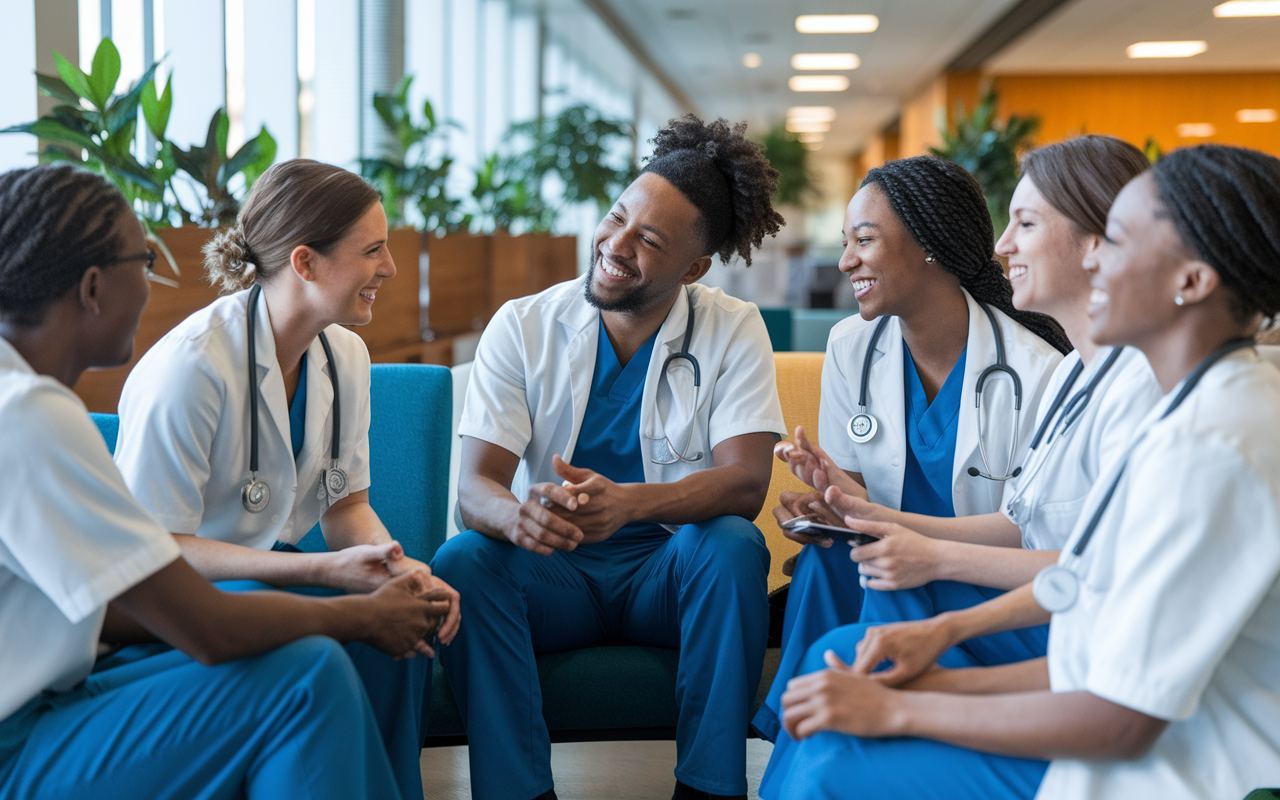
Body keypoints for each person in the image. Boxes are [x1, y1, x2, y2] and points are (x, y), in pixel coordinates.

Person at [772, 144, 1280, 800]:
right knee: (849, 692)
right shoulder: (1195, 407)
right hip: (1112, 705)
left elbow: (1120, 716)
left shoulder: (1209, 445)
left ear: (1192, 282)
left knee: (837, 762)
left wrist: (900, 706)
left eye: (1114, 241)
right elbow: (1087, 589)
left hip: (1176, 769)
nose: (1094, 260)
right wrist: (936, 648)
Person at [0, 163, 451, 799]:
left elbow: (104, 604)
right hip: (22, 733)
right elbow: (199, 623)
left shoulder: (24, 404)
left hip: (61, 685)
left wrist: (382, 574)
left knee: (345, 645)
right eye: (146, 260)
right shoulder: (31, 415)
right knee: (309, 675)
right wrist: (351, 604)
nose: (156, 283)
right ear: (95, 286)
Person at [429, 115, 788, 800]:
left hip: (665, 571)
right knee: (463, 559)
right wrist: (517, 521)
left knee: (733, 546)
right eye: (617, 218)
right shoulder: (524, 324)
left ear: (693, 268)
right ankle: (518, 792)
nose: (615, 246)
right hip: (553, 570)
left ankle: (710, 788)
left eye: (647, 240)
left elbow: (746, 483)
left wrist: (629, 504)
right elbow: (474, 490)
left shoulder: (732, 326)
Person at [754, 155, 1069, 744]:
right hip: (888, 557)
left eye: (864, 240)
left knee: (872, 570)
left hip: (983, 580)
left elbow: (1034, 534)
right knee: (826, 556)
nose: (845, 260)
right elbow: (863, 499)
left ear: (930, 244)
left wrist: (890, 531)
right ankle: (805, 740)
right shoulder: (851, 345)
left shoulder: (1036, 371)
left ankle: (837, 737)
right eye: (846, 241)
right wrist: (829, 499)